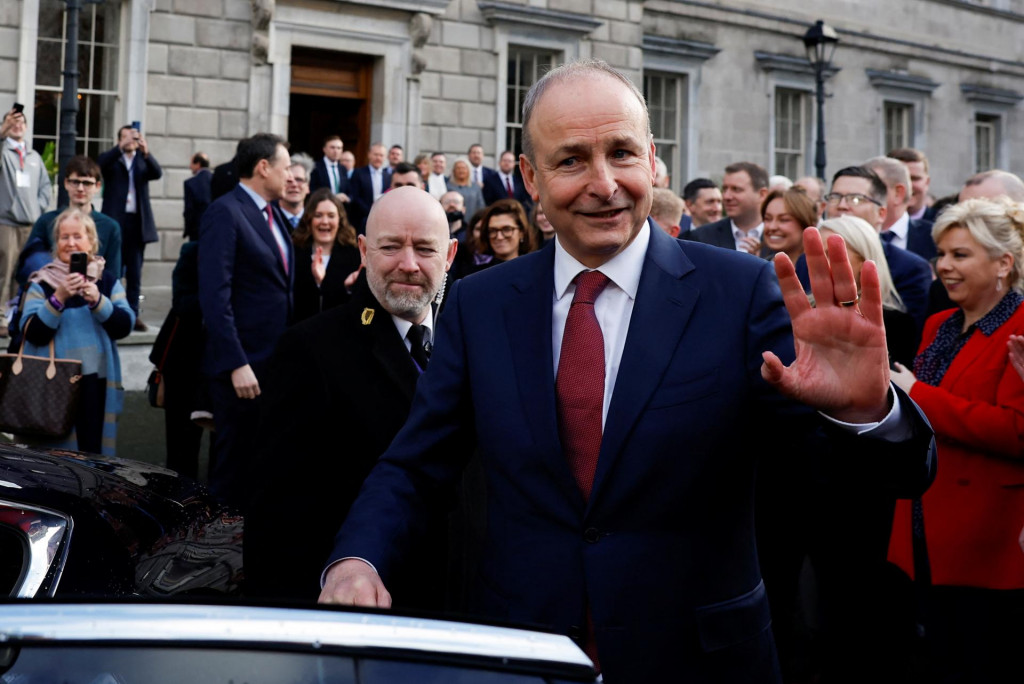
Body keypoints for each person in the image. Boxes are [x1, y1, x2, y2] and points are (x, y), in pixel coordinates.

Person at [319, 59, 934, 683]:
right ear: (530, 177)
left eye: (621, 152)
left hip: (699, 660)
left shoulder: (740, 293)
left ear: (651, 160)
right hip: (527, 651)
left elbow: (843, 484)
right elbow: (417, 463)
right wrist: (358, 557)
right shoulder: (479, 304)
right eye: (571, 161)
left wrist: (864, 414)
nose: (604, 183)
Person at [246, 186, 457, 603]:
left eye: (425, 249)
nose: (408, 264)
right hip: (361, 612)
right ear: (363, 250)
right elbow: (276, 516)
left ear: (449, 255)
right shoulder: (310, 351)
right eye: (391, 246)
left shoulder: (472, 339)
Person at [889, 197, 1024, 683]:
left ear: (1003, 263)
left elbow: (1015, 431)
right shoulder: (937, 324)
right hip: (923, 520)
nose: (944, 265)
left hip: (989, 534)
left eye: (960, 255)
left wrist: (918, 394)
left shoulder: (1020, 327)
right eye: (941, 254)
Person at [198, 133, 294, 507]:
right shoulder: (225, 211)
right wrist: (237, 362)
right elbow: (214, 296)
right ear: (263, 167)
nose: (291, 176)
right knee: (231, 470)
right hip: (241, 370)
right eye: (285, 167)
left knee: (261, 465)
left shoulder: (273, 215)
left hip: (272, 365)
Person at [18, 208, 133, 455]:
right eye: (64, 237)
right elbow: (32, 333)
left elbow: (124, 326)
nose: (70, 243)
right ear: (56, 243)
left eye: (77, 236)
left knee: (94, 457)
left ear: (91, 241)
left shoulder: (107, 281)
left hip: (97, 383)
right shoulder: (41, 282)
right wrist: (58, 299)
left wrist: (98, 302)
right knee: (58, 462)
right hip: (54, 384)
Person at [818, 215, 918, 367]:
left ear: (864, 260)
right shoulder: (803, 310)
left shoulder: (897, 325)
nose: (819, 264)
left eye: (831, 254)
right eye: (815, 255)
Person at [97, 124, 162, 330]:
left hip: (137, 222)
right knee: (112, 268)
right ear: (119, 140)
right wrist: (119, 147)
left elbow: (157, 173)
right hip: (116, 220)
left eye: (132, 137)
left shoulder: (142, 160)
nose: (129, 140)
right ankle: (110, 309)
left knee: (134, 271)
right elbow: (98, 165)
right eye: (125, 137)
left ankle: (132, 314)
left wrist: (147, 151)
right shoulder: (112, 160)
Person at [23, 156, 121, 284]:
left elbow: (113, 274)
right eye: (75, 182)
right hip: (50, 291)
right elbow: (29, 263)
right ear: (66, 183)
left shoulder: (110, 227)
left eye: (86, 183)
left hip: (93, 294)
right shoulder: (46, 221)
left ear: (97, 186)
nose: (80, 188)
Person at [1, 106, 51, 337]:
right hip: (6, 223)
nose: (17, 125)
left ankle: (16, 314)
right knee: (4, 271)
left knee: (25, 272)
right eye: (13, 121)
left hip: (29, 225)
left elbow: (45, 187)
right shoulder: (4, 151)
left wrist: (37, 210)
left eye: (21, 122)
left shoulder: (33, 157)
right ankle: (1, 317)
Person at [291, 187, 360, 323]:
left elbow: (361, 308)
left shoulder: (354, 255)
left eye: (331, 215)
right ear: (309, 220)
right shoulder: (294, 252)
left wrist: (347, 289)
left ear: (340, 220)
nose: (325, 221)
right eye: (318, 215)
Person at [685, 162, 768, 254]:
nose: (726, 197)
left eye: (736, 189)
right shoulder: (701, 238)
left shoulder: (781, 237)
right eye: (725, 189)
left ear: (761, 194)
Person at [760, 186, 816, 264]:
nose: (772, 227)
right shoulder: (757, 270)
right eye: (768, 219)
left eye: (784, 220)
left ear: (806, 224)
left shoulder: (817, 272)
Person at [473, 199, 534, 269]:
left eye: (507, 229)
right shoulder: (477, 275)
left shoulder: (535, 269)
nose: (499, 237)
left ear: (521, 232)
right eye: (493, 230)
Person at [183, 151, 212, 241]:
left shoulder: (190, 183)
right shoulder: (216, 179)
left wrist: (187, 229)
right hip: (214, 226)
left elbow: (189, 210)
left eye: (192, 163)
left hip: (196, 229)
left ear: (198, 164)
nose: (190, 166)